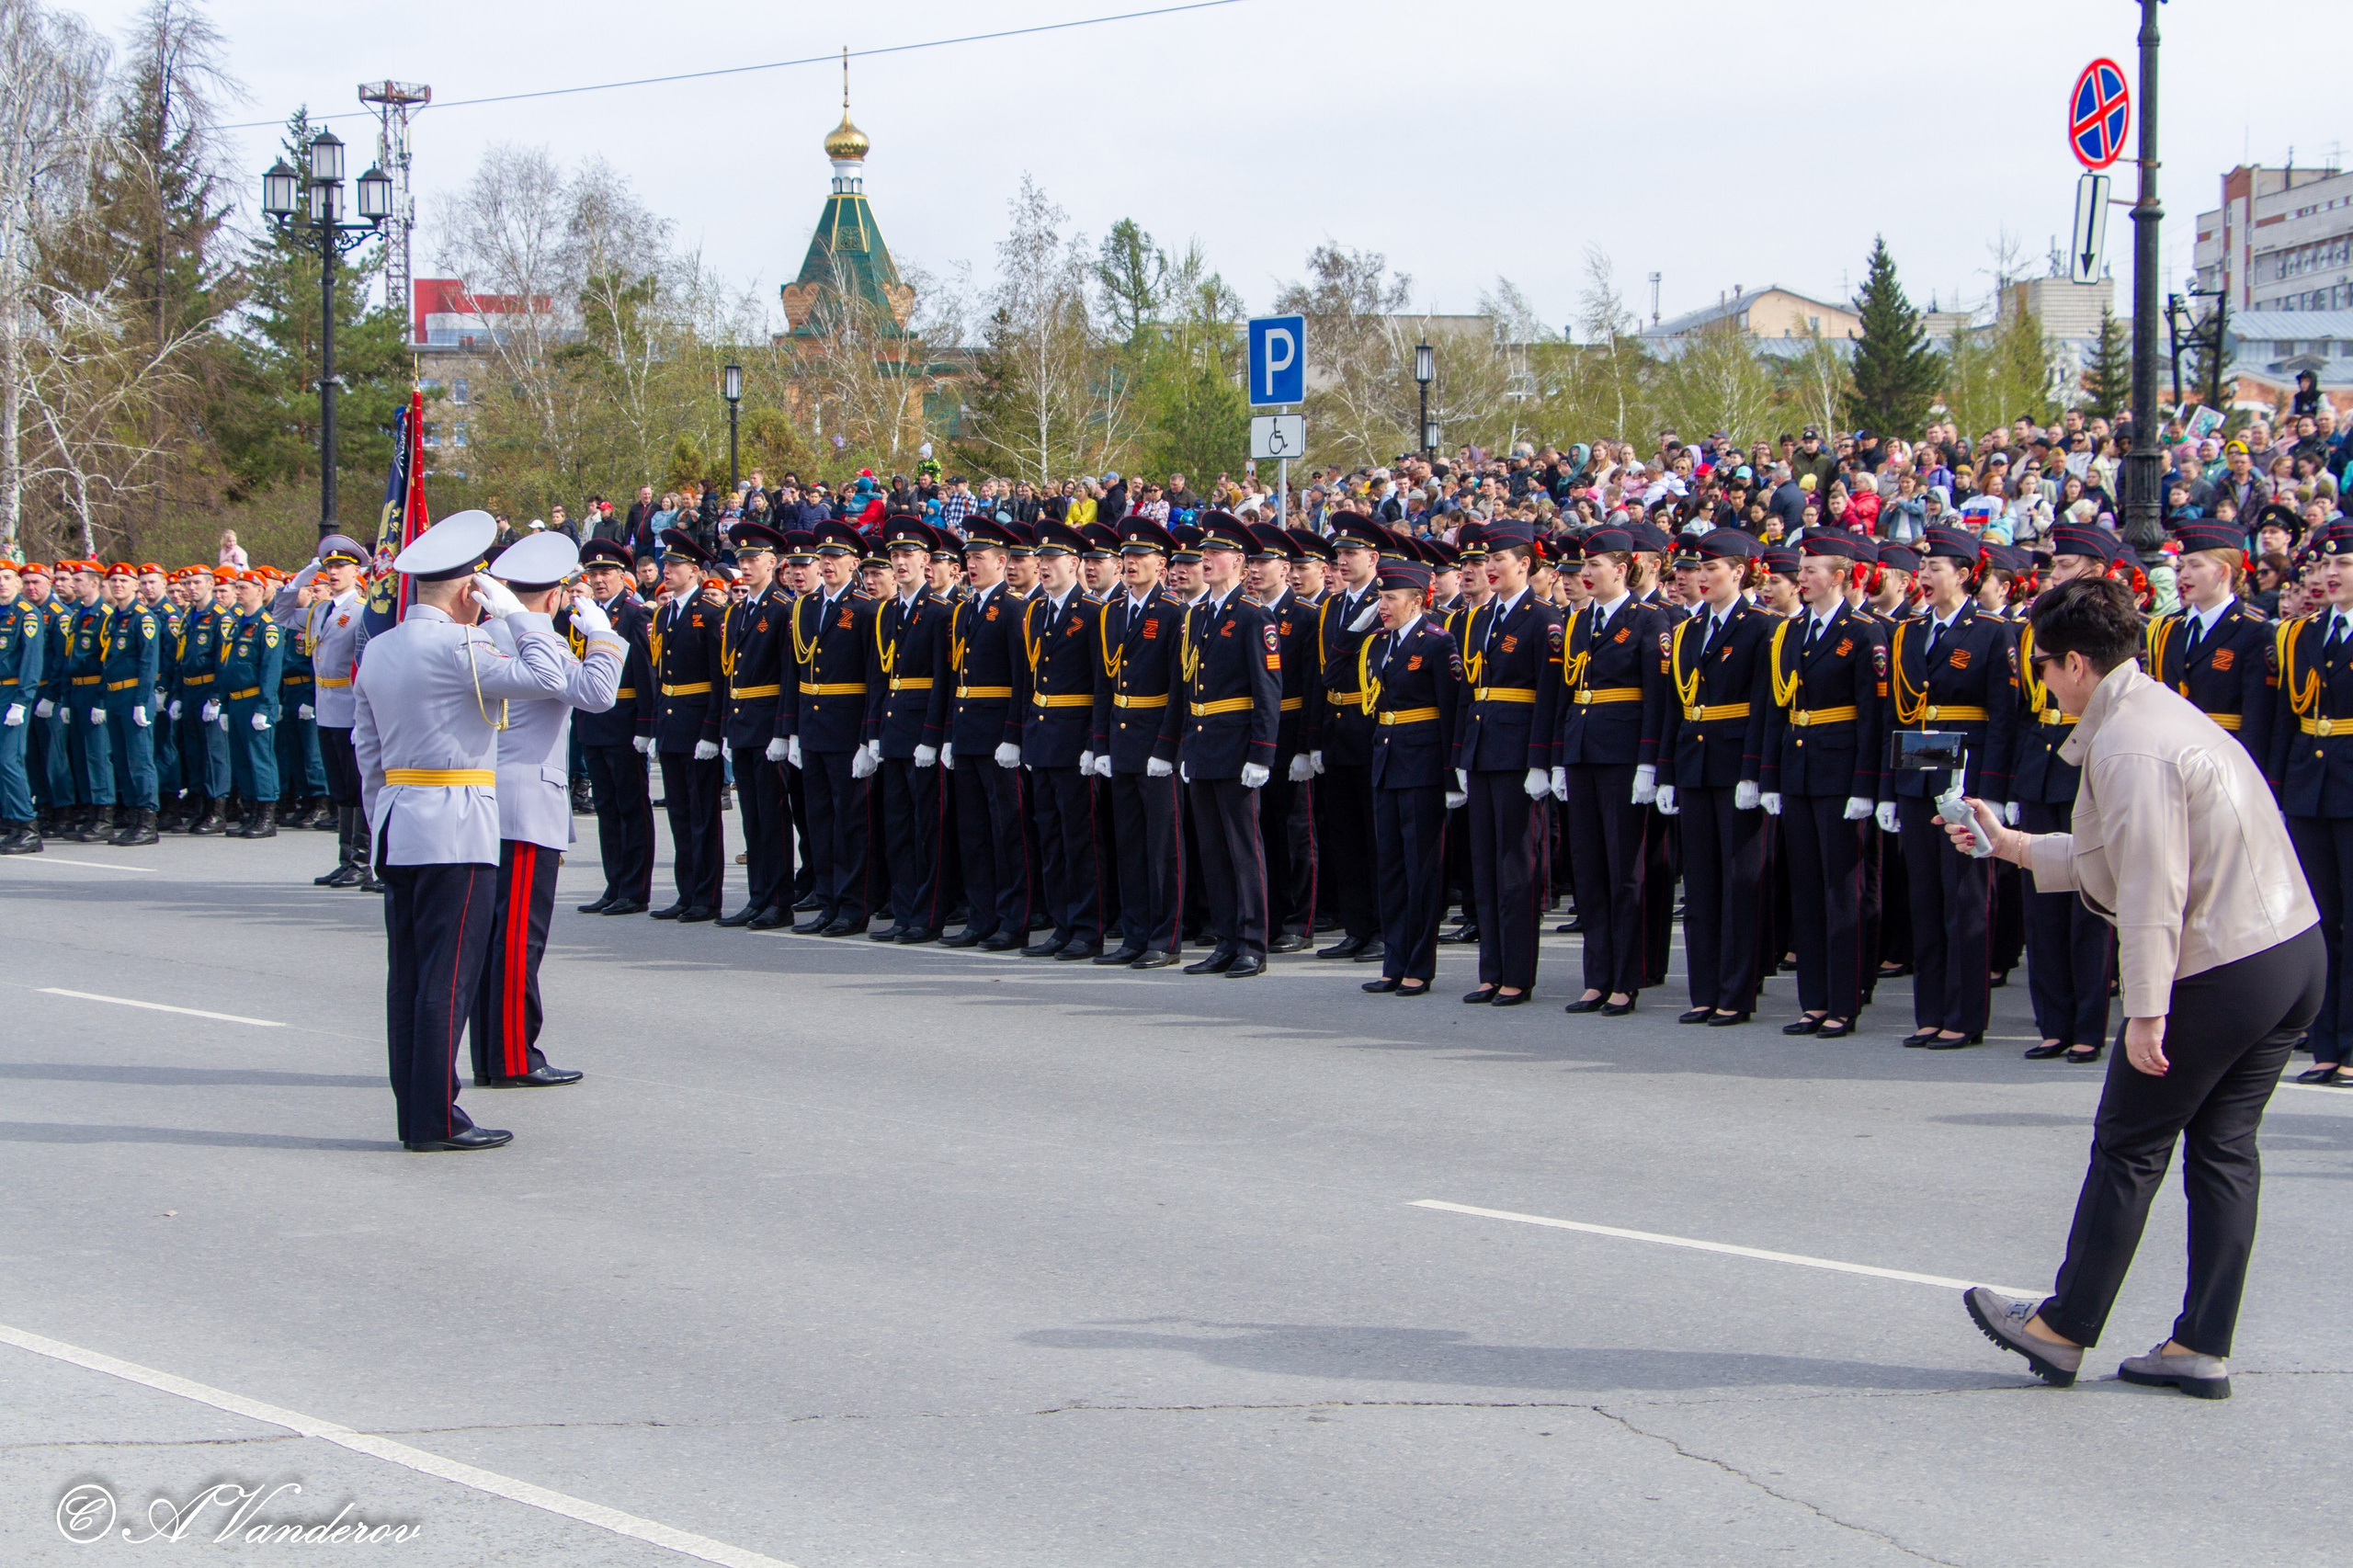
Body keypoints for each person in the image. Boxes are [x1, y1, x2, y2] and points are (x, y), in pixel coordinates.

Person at [1960, 575, 2323, 1400]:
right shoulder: (2153, 710)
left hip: (2221, 961)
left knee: (2129, 1145)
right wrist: (2010, 844)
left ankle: (2062, 1328)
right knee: (2224, 1149)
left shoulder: (2127, 744)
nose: (2040, 678)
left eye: (2045, 663)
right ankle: (2200, 1345)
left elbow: (2152, 887)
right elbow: (2124, 858)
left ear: (2079, 664)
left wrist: (2147, 1011)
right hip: (2287, 951)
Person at [353, 509, 573, 1152]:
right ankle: (436, 1119)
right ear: (467, 591)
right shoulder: (465, 648)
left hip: (399, 824)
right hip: (458, 831)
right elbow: (551, 677)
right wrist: (516, 614)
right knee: (447, 981)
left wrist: (382, 823)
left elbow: (367, 757)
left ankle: (417, 1112)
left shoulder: (380, 649)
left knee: (409, 979)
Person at [468, 530, 622, 1087]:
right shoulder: (542, 646)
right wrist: (604, 636)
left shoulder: (477, 637)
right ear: (555, 599)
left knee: (493, 937)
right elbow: (598, 694)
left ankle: (493, 1051)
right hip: (527, 805)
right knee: (516, 940)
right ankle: (511, 1056)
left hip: (485, 799)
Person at [1879, 525, 2019, 1048]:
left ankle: (1964, 1016)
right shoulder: (1908, 633)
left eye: (1935, 568)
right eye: (1922, 567)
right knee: (1926, 898)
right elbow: (1899, 714)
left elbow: (2004, 718)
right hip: (1918, 773)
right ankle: (1930, 1012)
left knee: (1965, 898)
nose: (1924, 575)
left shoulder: (1990, 631)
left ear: (1963, 575)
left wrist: (1996, 789)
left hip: (1969, 777)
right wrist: (1893, 787)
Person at [2010, 524, 2126, 1064]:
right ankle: (2052, 1023)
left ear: (2096, 574)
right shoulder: (2034, 632)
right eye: (2053, 565)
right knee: (2043, 905)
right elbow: (2016, 714)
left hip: (2088, 770)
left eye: (2064, 566)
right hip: (2040, 769)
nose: (2052, 574)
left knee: (2090, 903)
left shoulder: (2118, 635)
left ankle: (2087, 1027)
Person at [1552, 526, 1675, 1016]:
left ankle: (1627, 977)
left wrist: (1649, 761)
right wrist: (1560, 756)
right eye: (1583, 567)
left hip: (1624, 755)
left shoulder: (1649, 620)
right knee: (1589, 869)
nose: (1584, 574)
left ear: (1620, 570)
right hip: (1583, 751)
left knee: (1626, 871)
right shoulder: (1578, 622)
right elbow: (1566, 694)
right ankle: (1595, 976)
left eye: (1593, 566)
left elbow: (1656, 698)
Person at [1654, 528, 1774, 1025]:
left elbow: (1767, 707)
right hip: (1694, 763)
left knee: (1739, 884)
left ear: (1739, 572)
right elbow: (1674, 708)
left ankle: (1736, 992)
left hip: (1734, 764)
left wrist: (1755, 772)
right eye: (1697, 571)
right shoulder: (1687, 629)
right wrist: (1664, 772)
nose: (1701, 579)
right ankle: (1703, 990)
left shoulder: (1763, 627)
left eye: (1712, 570)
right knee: (1700, 884)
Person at [1449, 519, 1562, 1006]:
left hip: (1518, 753)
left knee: (1518, 869)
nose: (1491, 568)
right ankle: (1490, 970)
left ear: (1526, 565)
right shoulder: (1478, 618)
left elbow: (1550, 695)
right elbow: (1465, 694)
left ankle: (1517, 973)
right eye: (1486, 560)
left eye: (1500, 560)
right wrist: (1458, 756)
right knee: (1486, 866)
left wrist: (1541, 759)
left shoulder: (1544, 619)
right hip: (1481, 748)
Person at [1168, 511, 1280, 978]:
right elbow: (1187, 689)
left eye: (1214, 554)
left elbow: (1266, 691)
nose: (1205, 560)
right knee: (1212, 849)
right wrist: (1182, 751)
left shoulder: (1255, 616)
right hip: (1203, 744)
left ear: (1238, 561)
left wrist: (1261, 753)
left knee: (1243, 848)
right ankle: (1226, 939)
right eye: (1203, 554)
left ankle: (1253, 942)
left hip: (1237, 748)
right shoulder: (1195, 616)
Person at [1358, 551, 1464, 997]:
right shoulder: (1379, 642)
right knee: (1391, 868)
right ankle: (1393, 960)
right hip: (1387, 759)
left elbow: (1451, 712)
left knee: (1422, 869)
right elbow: (1342, 668)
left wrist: (1450, 778)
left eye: (1391, 597)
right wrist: (1355, 625)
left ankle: (1419, 964)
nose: (1383, 605)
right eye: (1380, 597)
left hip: (1422, 765)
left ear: (1418, 600)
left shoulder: (1438, 643)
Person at [1090, 516, 1186, 967]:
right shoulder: (1111, 611)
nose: (1129, 564)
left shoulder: (1172, 612)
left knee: (1162, 847)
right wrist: (1101, 745)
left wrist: (1166, 748)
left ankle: (1164, 938)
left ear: (1160, 565)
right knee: (1128, 842)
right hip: (1122, 737)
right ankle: (1133, 934)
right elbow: (1102, 685)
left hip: (1154, 741)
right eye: (1125, 557)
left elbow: (1179, 687)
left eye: (1139, 557)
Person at [779, 518, 882, 936]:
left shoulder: (864, 608)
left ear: (853, 562)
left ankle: (853, 905)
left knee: (851, 822)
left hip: (846, 729)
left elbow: (875, 677)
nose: (826, 564)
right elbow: (795, 674)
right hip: (813, 727)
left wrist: (866, 738)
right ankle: (827, 901)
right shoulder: (804, 606)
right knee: (819, 820)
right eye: (823, 558)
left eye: (835, 558)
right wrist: (791, 732)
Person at [1010, 518, 1104, 959]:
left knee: (1080, 838)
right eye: (1039, 560)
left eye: (1051, 560)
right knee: (1049, 834)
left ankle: (1088, 927)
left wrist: (1093, 742)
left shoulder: (1093, 612)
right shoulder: (1035, 611)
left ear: (1074, 563)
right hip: (1042, 735)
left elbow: (1102, 684)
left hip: (1074, 737)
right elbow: (1027, 680)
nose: (1042, 567)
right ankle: (1062, 923)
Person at [869, 517, 954, 942]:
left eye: (908, 556)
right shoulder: (887, 611)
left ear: (926, 561)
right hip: (894, 726)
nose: (900, 563)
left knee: (928, 829)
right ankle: (903, 913)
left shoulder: (940, 612)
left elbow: (944, 679)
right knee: (898, 826)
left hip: (922, 729)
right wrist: (872, 734)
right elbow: (878, 677)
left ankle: (928, 914)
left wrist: (933, 736)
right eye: (894, 556)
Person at [713, 520, 794, 929]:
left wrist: (782, 731)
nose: (744, 566)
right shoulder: (739, 610)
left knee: (773, 815)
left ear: (772, 562)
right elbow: (733, 676)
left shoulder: (782, 608)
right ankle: (757, 895)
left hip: (767, 726)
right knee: (752, 818)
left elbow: (785, 675)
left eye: (752, 559)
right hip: (743, 724)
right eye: (740, 559)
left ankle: (778, 899)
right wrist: (727, 728)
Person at [571, 540, 656, 915]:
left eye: (606, 573)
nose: (599, 579)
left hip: (624, 720)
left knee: (631, 806)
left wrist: (646, 724)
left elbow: (645, 674)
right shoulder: (587, 614)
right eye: (594, 573)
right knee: (607, 807)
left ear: (624, 576)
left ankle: (634, 889)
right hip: (593, 719)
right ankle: (615, 883)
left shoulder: (635, 615)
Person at [649, 528, 726, 922]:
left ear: (694, 570)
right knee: (679, 814)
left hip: (697, 725)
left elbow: (719, 677)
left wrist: (712, 730)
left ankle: (706, 895)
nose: (668, 569)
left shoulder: (710, 613)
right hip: (671, 721)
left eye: (675, 565)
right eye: (665, 564)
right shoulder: (663, 614)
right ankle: (685, 892)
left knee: (703, 815)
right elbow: (659, 672)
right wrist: (653, 726)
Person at [0, 557, 42, 851]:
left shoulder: (27, 613)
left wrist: (23, 700)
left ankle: (27, 826)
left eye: (7, 577)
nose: (1, 583)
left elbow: (31, 661)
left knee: (9, 759)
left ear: (18, 582)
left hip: (12, 693)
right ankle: (13, 823)